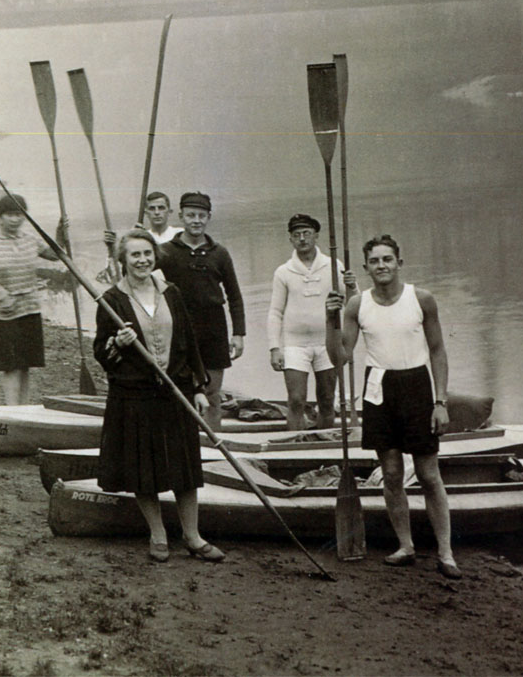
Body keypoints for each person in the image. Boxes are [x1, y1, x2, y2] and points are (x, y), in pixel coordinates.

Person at [325, 234, 460, 579]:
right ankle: (406, 546)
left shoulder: (422, 299)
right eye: (374, 261)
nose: (381, 266)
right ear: (366, 267)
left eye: (388, 259)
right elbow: (340, 357)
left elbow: (438, 351)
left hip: (417, 386)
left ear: (399, 263)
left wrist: (440, 401)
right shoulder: (357, 304)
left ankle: (445, 552)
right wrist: (331, 320)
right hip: (379, 389)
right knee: (392, 474)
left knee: (429, 475)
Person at [93, 227, 224, 564]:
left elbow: (189, 341)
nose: (142, 260)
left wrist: (198, 387)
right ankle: (158, 534)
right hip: (135, 394)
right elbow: (101, 353)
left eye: (147, 253)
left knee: (185, 467)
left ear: (155, 256)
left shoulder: (171, 292)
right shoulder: (111, 300)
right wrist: (116, 345)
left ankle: (193, 536)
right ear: (123, 260)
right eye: (135, 254)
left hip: (175, 390)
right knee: (143, 467)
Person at [157, 193, 245, 432]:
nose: (196, 220)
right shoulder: (165, 251)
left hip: (214, 327)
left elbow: (234, 296)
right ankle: (185, 444)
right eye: (191, 215)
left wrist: (238, 334)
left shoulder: (220, 253)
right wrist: (135, 239)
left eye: (201, 216)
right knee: (182, 391)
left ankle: (212, 446)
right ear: (181, 216)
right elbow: (133, 268)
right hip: (180, 327)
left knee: (212, 392)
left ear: (209, 218)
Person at [266, 213, 358, 430]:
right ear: (290, 239)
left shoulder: (334, 265)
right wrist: (274, 348)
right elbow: (275, 312)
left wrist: (353, 286)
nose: (302, 239)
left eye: (307, 233)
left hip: (328, 344)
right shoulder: (283, 272)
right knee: (296, 400)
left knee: (326, 400)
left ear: (316, 236)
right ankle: (294, 446)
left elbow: (354, 305)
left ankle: (326, 447)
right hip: (295, 344)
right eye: (296, 235)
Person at [0, 193, 64, 405]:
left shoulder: (29, 238)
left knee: (25, 363)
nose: (16, 219)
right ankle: (12, 411)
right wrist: (2, 295)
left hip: (29, 309)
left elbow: (55, 254)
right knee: (10, 365)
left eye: (20, 214)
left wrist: (61, 234)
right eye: (10, 215)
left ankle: (23, 409)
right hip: (1, 312)